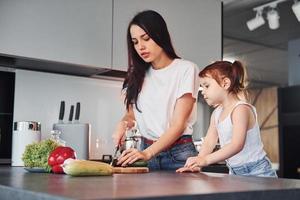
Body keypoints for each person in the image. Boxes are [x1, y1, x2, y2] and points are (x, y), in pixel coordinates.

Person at [112, 10, 199, 170]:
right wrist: (123, 123)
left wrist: (147, 154)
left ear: (160, 35)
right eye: (135, 42)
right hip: (147, 151)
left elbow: (177, 125)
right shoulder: (137, 75)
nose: (141, 47)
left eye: (146, 38)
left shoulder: (186, 69)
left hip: (178, 154)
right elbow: (132, 114)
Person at [176, 60, 277, 177]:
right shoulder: (217, 113)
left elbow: (236, 145)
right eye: (201, 87)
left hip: (258, 171)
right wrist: (197, 163)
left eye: (207, 86)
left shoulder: (240, 109)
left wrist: (205, 160)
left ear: (225, 83)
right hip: (234, 172)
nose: (202, 91)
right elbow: (209, 141)